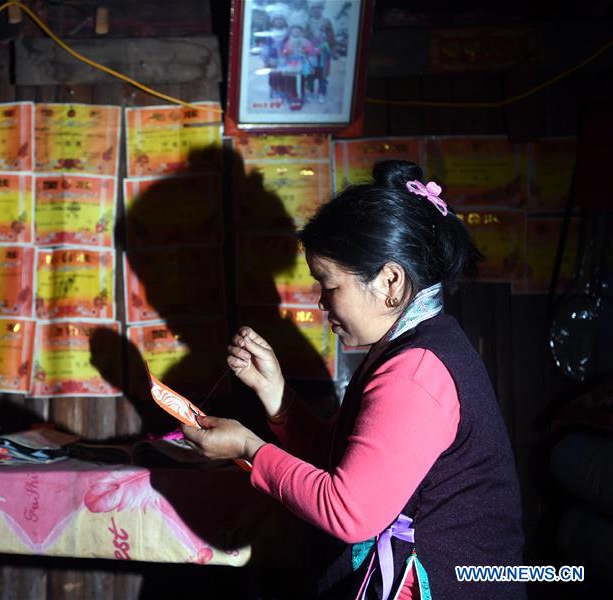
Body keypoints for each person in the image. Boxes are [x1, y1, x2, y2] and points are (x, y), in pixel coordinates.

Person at [182, 160, 526, 599]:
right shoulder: (405, 345)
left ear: (390, 282)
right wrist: (278, 396)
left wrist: (250, 448)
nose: (321, 302)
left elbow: (349, 510)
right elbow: (343, 462)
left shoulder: (415, 371)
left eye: (329, 284)